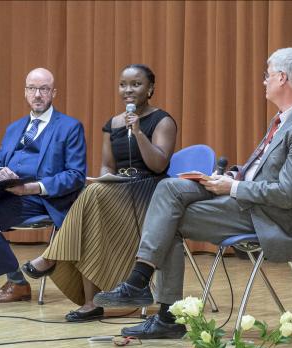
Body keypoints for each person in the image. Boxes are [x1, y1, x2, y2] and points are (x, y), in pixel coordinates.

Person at [93, 47, 292, 339]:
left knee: (168, 219)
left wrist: (232, 187)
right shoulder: (288, 117)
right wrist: (230, 176)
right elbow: (261, 171)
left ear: (282, 79)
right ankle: (143, 287)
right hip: (250, 203)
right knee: (169, 188)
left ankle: (159, 306)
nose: (264, 81)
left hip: (274, 218)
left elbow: (288, 194)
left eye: (267, 75)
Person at [21, 64, 177, 321]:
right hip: (117, 190)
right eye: (123, 84)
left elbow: (159, 164)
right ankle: (91, 303)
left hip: (150, 194)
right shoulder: (112, 124)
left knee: (91, 197)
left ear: (150, 89)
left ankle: (51, 257)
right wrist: (104, 179)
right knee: (90, 200)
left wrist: (137, 132)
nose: (128, 90)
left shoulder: (163, 121)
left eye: (136, 84)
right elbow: (107, 166)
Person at [0, 67, 87, 303]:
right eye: (32, 89)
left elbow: (76, 175)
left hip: (41, 200)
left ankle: (14, 281)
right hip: (9, 195)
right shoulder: (14, 128)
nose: (37, 94)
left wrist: (33, 188)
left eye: (43, 89)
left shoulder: (69, 127)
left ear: (53, 93)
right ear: (25, 92)